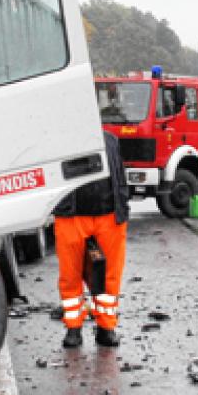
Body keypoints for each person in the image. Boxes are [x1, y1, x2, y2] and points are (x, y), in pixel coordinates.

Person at [53, 131, 130, 348]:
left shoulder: (110, 140)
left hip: (108, 217)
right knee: (70, 274)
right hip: (72, 216)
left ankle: (106, 328)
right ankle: (74, 328)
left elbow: (120, 176)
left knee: (109, 276)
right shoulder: (61, 142)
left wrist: (122, 209)